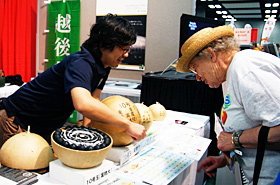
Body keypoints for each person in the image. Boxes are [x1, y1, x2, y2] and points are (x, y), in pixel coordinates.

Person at [0, 14, 146, 147]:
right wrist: (127, 125)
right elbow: (83, 104)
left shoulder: (104, 66)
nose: (126, 54)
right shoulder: (80, 63)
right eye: (124, 49)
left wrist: (89, 131)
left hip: (42, 126)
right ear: (105, 44)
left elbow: (93, 98)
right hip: (16, 121)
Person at [176, 25, 280, 184]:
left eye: (195, 68)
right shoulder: (229, 75)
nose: (197, 77)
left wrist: (234, 140)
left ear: (212, 55)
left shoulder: (247, 69)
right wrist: (225, 160)